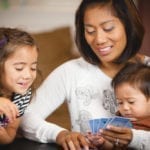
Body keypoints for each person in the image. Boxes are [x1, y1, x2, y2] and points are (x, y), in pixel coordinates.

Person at [20, 0, 150, 150]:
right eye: (90, 31)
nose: (99, 40)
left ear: (129, 26)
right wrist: (60, 134)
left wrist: (134, 138)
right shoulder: (71, 72)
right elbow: (25, 117)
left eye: (108, 28)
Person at [0, 27, 39, 144]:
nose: (27, 75)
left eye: (33, 68)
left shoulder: (22, 95)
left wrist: (3, 136)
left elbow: (11, 131)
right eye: (19, 68)